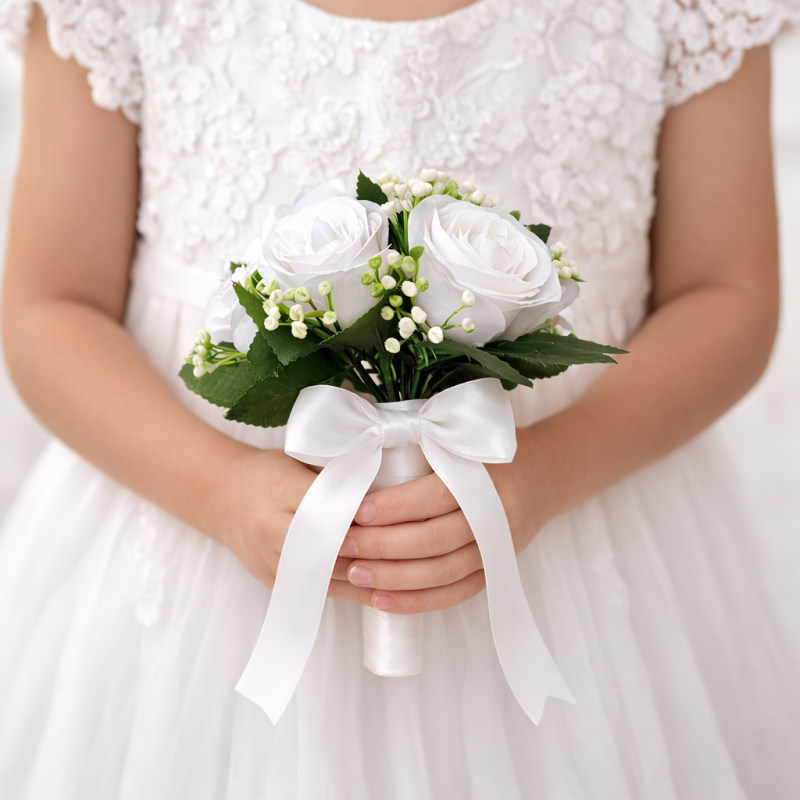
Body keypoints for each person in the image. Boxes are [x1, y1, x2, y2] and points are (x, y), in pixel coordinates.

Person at [0, 0, 799, 797]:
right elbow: (51, 303)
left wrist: (545, 477)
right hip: (187, 545)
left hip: (579, 533)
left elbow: (725, 288)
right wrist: (217, 492)